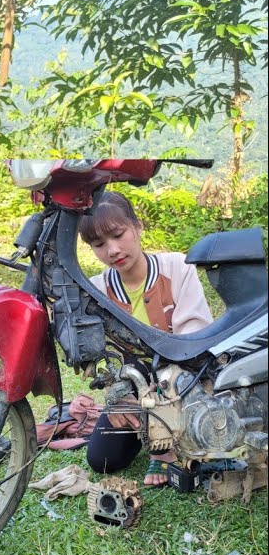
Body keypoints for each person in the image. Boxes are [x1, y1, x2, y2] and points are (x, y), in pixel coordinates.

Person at [79, 190, 214, 487]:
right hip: (135, 387)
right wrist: (116, 396)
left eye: (118, 235)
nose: (112, 250)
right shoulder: (96, 290)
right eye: (99, 244)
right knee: (103, 459)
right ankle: (154, 434)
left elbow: (194, 341)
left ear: (137, 226)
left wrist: (157, 391)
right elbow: (105, 357)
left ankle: (165, 447)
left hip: (185, 379)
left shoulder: (178, 267)